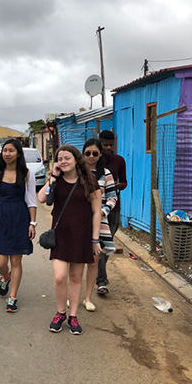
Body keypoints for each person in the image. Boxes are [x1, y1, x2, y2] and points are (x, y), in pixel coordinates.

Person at [38, 145, 102, 335]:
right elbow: (41, 198)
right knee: (60, 277)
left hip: (81, 235)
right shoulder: (56, 181)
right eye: (60, 159)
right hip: (61, 236)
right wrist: (53, 178)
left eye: (67, 158)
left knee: (75, 278)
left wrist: (95, 239)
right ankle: (61, 313)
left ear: (76, 160)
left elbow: (97, 211)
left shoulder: (90, 182)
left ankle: (73, 316)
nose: (63, 161)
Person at [0, 139, 37, 313]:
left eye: (11, 151)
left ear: (18, 153)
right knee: (0, 262)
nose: (7, 154)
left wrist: (32, 223)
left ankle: (13, 297)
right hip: (0, 218)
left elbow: (31, 200)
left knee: (16, 260)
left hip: (20, 218)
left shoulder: (27, 174)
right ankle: (5, 278)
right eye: (5, 150)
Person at [81, 139, 117, 311]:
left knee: (94, 260)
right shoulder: (76, 172)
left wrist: (104, 210)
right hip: (78, 221)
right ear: (82, 154)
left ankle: (87, 297)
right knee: (76, 262)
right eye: (88, 153)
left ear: (100, 155)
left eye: (95, 153)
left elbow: (112, 197)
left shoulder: (106, 174)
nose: (91, 156)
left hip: (99, 222)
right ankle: (74, 295)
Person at [97, 130, 128, 294]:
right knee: (100, 245)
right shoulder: (94, 159)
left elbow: (124, 182)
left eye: (111, 145)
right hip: (96, 210)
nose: (108, 148)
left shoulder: (119, 160)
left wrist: (117, 186)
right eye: (105, 145)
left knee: (107, 244)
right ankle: (101, 280)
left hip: (114, 207)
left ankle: (98, 272)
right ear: (100, 143)